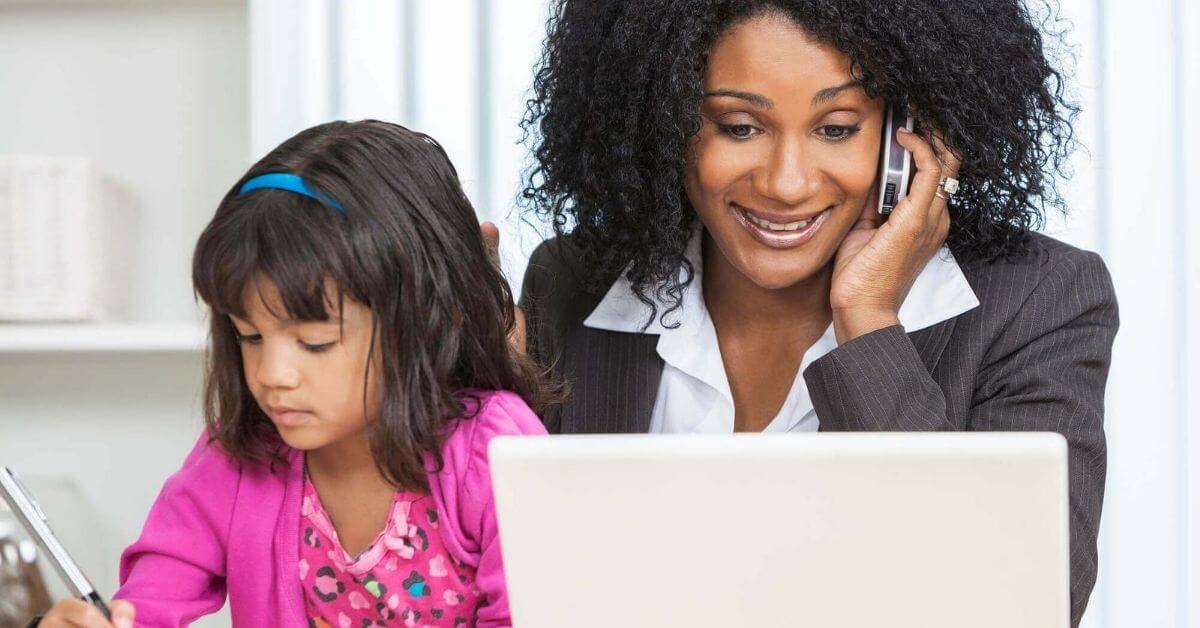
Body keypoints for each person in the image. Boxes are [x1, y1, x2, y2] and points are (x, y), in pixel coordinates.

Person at [512, 2, 1117, 626]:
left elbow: (1022, 607)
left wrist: (869, 319)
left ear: (906, 136)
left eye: (836, 128)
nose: (787, 184)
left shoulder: (1037, 299)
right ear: (664, 122)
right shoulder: (573, 286)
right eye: (740, 126)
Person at [37, 120, 548, 628]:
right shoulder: (239, 457)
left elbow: (536, 615)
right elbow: (146, 604)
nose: (273, 374)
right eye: (249, 336)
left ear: (425, 318)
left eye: (314, 342)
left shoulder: (494, 449)